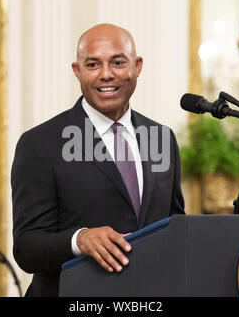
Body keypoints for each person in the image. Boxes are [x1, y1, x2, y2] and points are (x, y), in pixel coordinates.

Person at [11, 23, 185, 297]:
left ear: (137, 67)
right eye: (92, 65)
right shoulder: (40, 144)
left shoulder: (161, 138)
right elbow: (26, 248)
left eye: (117, 62)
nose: (106, 74)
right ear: (77, 71)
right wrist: (79, 240)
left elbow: (175, 227)